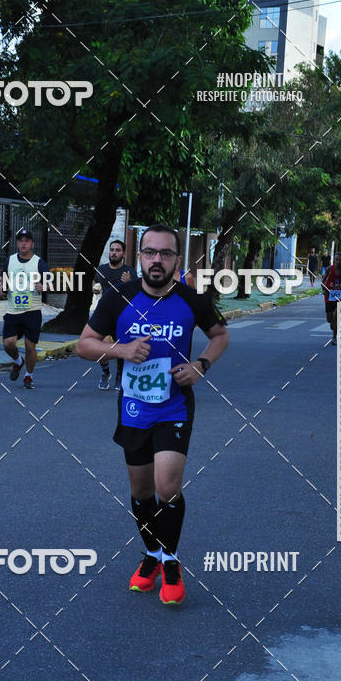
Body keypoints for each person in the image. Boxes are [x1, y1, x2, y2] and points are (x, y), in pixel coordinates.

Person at [77, 224, 229, 605]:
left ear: (177, 259)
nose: (157, 260)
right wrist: (121, 351)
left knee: (166, 487)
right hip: (134, 408)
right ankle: (152, 555)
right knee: (141, 491)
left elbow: (220, 335)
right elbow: (84, 344)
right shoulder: (118, 298)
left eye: (165, 253)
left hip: (174, 406)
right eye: (150, 252)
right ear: (140, 256)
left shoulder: (192, 300)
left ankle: (171, 562)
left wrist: (200, 366)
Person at [0, 228, 48, 389]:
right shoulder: (10, 260)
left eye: (27, 241)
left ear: (32, 244)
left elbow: (49, 283)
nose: (23, 243)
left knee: (29, 345)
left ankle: (28, 376)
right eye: (21, 241)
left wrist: (44, 286)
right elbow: (3, 278)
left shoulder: (39, 262)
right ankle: (18, 361)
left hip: (32, 311)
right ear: (17, 243)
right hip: (13, 310)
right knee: (8, 343)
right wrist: (1, 287)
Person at [93, 240, 138, 391]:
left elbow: (136, 294)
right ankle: (105, 372)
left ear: (123, 253)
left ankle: (119, 374)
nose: (113, 253)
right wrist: (95, 288)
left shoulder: (130, 272)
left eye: (117, 250)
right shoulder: (102, 269)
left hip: (123, 315)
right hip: (105, 314)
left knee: (121, 347)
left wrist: (129, 282)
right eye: (112, 250)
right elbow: (95, 283)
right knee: (104, 345)